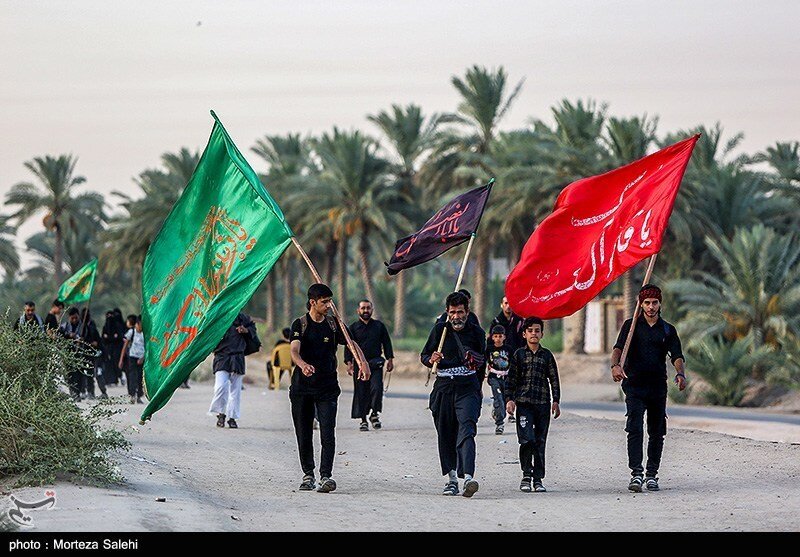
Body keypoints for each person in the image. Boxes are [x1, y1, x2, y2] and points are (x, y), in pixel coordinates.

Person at [611, 284, 686, 493]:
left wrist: (680, 374)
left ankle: (652, 474)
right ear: (641, 304)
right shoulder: (631, 326)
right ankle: (636, 473)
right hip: (634, 385)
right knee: (634, 428)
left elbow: (677, 355)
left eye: (654, 303)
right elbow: (618, 348)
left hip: (657, 387)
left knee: (657, 431)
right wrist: (615, 366)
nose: (651, 307)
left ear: (660, 304)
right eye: (647, 303)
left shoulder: (667, 330)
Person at [421, 291, 486, 498]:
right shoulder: (440, 330)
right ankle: (451, 480)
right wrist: (431, 359)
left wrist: (478, 387)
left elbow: (482, 362)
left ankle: (468, 478)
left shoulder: (477, 333)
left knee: (467, 429)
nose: (456, 316)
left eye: (460, 312)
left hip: (468, 388)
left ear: (467, 312)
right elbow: (424, 355)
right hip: (443, 388)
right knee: (445, 433)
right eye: (453, 313)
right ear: (447, 312)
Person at [289, 283, 351, 493]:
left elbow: (351, 342)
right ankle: (308, 474)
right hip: (302, 388)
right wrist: (303, 365)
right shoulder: (300, 324)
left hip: (327, 387)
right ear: (313, 302)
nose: (328, 305)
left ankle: (326, 476)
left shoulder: (333, 325)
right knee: (304, 432)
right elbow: (294, 351)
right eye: (324, 302)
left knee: (327, 432)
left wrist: (361, 362)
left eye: (330, 301)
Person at [505, 317, 561, 493]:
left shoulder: (547, 356)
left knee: (540, 441)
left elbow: (554, 379)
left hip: (542, 403)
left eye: (537, 330)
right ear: (524, 334)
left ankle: (538, 479)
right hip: (524, 405)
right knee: (526, 439)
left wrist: (556, 401)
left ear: (542, 334)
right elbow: (511, 379)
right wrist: (509, 399)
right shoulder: (519, 355)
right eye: (530, 331)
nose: (534, 334)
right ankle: (526, 475)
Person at [344, 299, 394, 431]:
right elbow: (349, 346)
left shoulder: (379, 326)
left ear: (372, 310)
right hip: (359, 366)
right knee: (361, 392)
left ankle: (374, 414)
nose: (365, 310)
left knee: (377, 389)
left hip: (376, 364)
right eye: (363, 308)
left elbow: (387, 343)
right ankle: (363, 420)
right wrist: (349, 363)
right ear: (358, 311)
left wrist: (390, 359)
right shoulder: (353, 328)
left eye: (368, 308)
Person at [208, 312, 257, 428]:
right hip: (221, 357)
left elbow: (252, 329)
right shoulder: (219, 314)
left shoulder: (243, 317)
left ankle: (232, 418)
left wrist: (246, 330)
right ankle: (221, 413)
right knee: (220, 387)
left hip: (238, 357)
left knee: (235, 391)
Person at [485, 324, 513, 435]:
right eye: (496, 336)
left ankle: (497, 411)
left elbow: (513, 364)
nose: (498, 339)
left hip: (506, 378)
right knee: (499, 399)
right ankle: (500, 423)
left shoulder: (508, 349)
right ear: (492, 337)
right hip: (494, 377)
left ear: (504, 337)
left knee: (505, 399)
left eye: (500, 336)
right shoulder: (489, 349)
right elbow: (483, 362)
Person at [58, 307, 85, 401]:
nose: (74, 320)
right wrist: (68, 336)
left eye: (76, 318)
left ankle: (77, 393)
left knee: (79, 374)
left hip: (80, 354)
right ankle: (73, 392)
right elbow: (59, 338)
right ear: (69, 317)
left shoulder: (83, 326)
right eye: (72, 318)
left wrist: (82, 339)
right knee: (69, 374)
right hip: (67, 354)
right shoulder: (64, 326)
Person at [79, 308, 106, 400]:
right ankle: (83, 391)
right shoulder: (80, 326)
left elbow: (97, 339)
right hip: (82, 353)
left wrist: (95, 344)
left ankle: (92, 392)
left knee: (92, 373)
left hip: (92, 354)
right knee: (82, 374)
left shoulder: (92, 326)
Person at [119, 316, 146, 404]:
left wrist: (142, 358)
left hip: (141, 358)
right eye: (140, 325)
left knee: (140, 377)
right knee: (132, 377)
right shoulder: (132, 332)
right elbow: (125, 346)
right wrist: (121, 360)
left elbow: (148, 348)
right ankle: (132, 395)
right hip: (132, 357)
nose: (140, 327)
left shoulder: (145, 334)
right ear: (137, 324)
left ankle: (139, 395)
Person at [101, 310, 125, 385]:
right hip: (108, 348)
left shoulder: (117, 326)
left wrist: (110, 337)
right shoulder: (105, 327)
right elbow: (103, 339)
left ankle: (119, 376)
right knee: (109, 363)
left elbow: (120, 337)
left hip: (116, 348)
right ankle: (111, 380)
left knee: (116, 362)